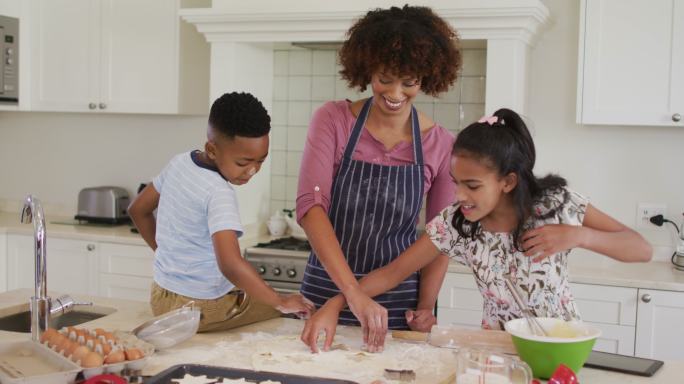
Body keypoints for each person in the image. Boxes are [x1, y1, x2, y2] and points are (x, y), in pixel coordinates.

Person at [301, 108, 653, 352]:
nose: (458, 195)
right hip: (496, 350)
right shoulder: (458, 224)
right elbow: (393, 272)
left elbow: (640, 248)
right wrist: (336, 303)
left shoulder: (554, 205)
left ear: (508, 181)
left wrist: (577, 235)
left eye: (471, 185)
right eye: (456, 183)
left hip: (561, 346)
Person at [296, 5, 462, 351]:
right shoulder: (333, 120)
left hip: (396, 304)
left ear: (426, 78)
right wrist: (352, 294)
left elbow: (439, 236)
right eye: (384, 78)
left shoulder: (441, 144)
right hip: (324, 292)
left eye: (409, 82)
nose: (395, 93)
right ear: (367, 68)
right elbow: (312, 208)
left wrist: (425, 307)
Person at [129, 92, 314, 332]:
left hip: (161, 298)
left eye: (260, 161)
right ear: (212, 149)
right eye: (243, 163)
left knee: (266, 296)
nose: (252, 171)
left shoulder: (180, 163)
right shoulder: (218, 192)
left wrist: (168, 256)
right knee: (293, 307)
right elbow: (230, 265)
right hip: (202, 309)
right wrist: (280, 301)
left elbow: (137, 210)